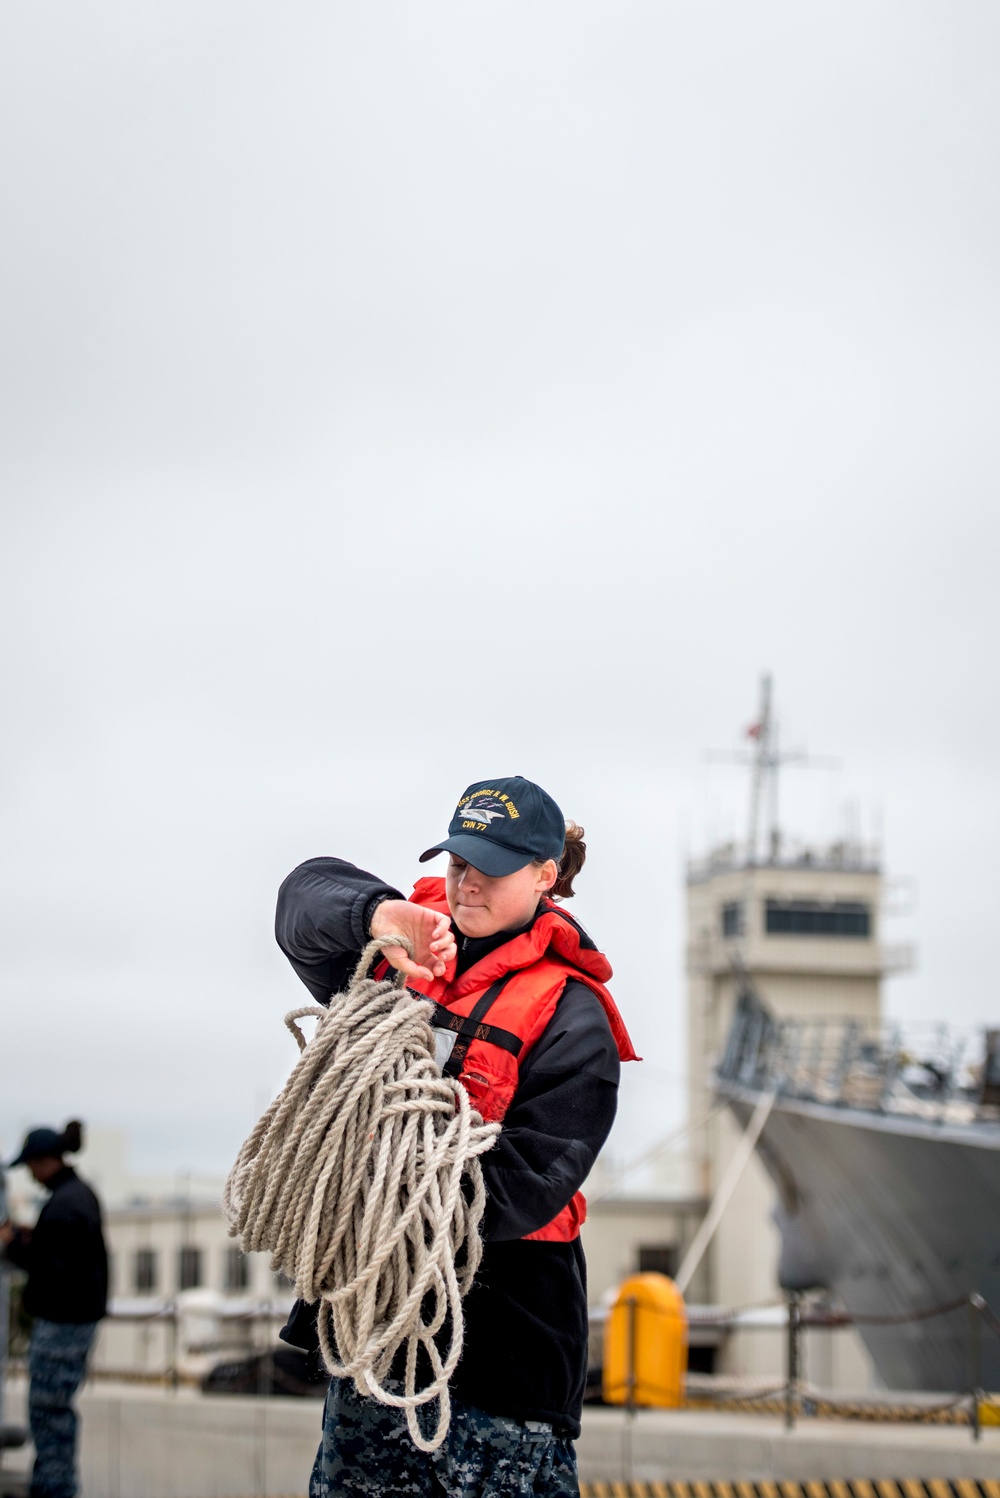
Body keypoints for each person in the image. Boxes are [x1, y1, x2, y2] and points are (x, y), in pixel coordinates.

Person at [274, 775, 638, 1498]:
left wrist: (383, 1179)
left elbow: (531, 1180)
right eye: (459, 862)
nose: (468, 882)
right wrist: (376, 913)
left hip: (507, 1360)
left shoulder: (574, 1018)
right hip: (375, 1348)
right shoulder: (397, 951)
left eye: (491, 868)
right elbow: (300, 899)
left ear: (544, 876)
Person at [0, 1121, 107, 1498]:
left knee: (49, 1410)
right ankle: (54, 1484)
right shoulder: (76, 1196)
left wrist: (13, 1245)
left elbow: (53, 1265)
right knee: (54, 1410)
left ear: (44, 1161)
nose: (30, 1175)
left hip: (63, 1322)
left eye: (31, 1166)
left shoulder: (65, 1204)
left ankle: (54, 1488)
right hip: (74, 1319)